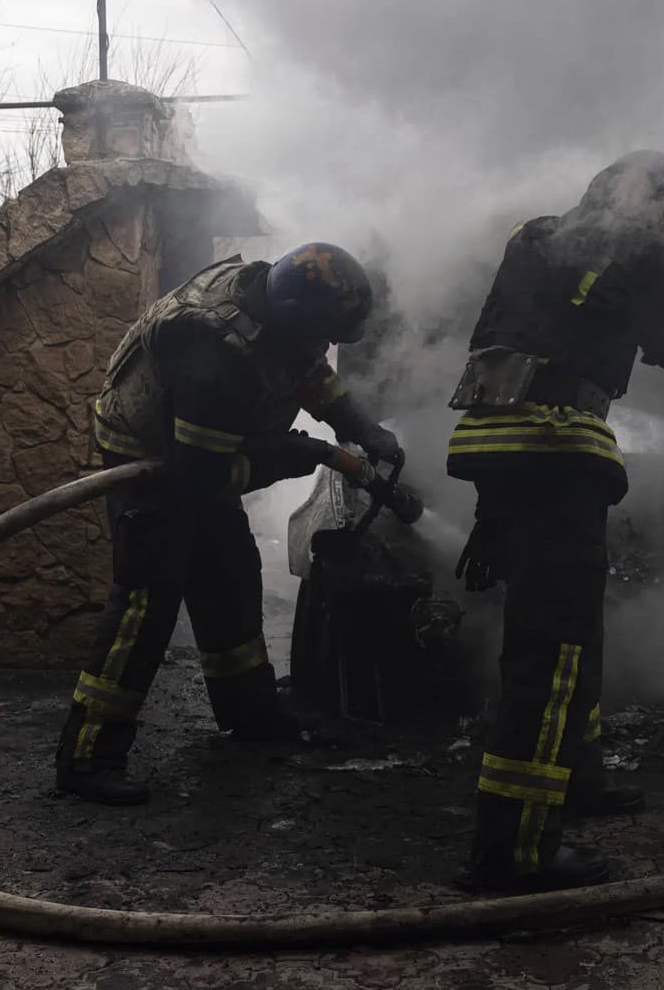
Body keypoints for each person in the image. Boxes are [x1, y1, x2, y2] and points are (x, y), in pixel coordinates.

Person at [446, 151, 664, 892]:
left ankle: (577, 778)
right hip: (558, 450)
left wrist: (490, 515)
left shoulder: (533, 236)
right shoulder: (641, 243)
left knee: (570, 634)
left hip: (500, 452)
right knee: (555, 653)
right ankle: (514, 849)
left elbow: (519, 339)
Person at [55, 243, 403, 805]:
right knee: (149, 600)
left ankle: (249, 712)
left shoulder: (276, 307)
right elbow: (201, 477)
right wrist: (295, 455)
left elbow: (311, 374)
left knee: (230, 573)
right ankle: (88, 756)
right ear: (298, 321)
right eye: (325, 336)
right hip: (149, 462)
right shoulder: (212, 352)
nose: (327, 349)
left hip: (202, 450)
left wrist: (361, 428)